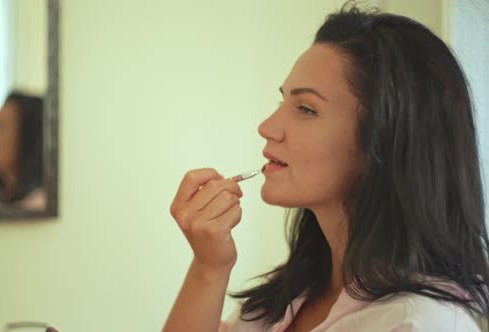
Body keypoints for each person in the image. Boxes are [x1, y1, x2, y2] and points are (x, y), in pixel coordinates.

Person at [163, 3, 489, 332]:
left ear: (385, 140)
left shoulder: (422, 323)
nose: (267, 127)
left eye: (305, 109)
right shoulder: (282, 298)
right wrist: (209, 268)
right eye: (282, 102)